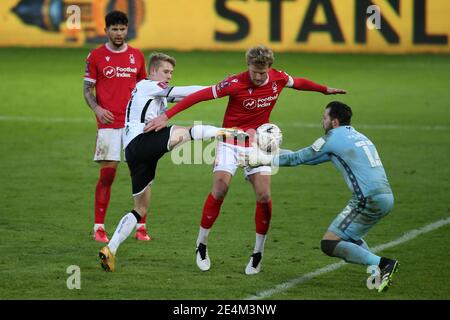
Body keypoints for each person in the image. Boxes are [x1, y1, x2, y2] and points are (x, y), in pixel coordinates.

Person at [146, 45, 346, 275]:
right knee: (220, 188)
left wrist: (324, 90)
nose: (258, 77)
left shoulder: (278, 78)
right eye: (253, 72)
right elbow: (199, 97)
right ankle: (201, 244)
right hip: (230, 140)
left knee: (264, 194)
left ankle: (258, 253)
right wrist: (166, 115)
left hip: (258, 144)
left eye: (262, 73)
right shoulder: (234, 83)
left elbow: (298, 82)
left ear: (269, 68)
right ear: (248, 66)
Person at [99, 52, 246, 272]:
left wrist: (219, 88)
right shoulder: (147, 85)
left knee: (140, 208)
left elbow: (186, 96)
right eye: (166, 71)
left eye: (171, 73)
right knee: (186, 132)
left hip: (134, 152)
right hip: (142, 141)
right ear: (152, 72)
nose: (169, 76)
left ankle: (110, 249)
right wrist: (222, 87)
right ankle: (226, 132)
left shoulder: (154, 92)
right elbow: (182, 92)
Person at [242, 101, 398, 292]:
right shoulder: (357, 136)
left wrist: (260, 160)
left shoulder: (331, 139)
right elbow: (307, 159)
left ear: (334, 121)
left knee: (329, 243)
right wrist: (275, 153)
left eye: (324, 118)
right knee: (349, 235)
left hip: (367, 198)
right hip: (385, 196)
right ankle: (377, 268)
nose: (321, 122)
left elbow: (297, 159)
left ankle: (384, 264)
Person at [83, 11, 149, 243]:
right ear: (106, 30)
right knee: (108, 175)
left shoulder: (137, 56)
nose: (119, 33)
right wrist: (98, 109)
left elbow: (145, 91)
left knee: (140, 174)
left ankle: (141, 227)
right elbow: (87, 90)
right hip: (108, 124)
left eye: (122, 29)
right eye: (114, 29)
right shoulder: (96, 56)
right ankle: (99, 227)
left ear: (127, 29)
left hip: (134, 125)